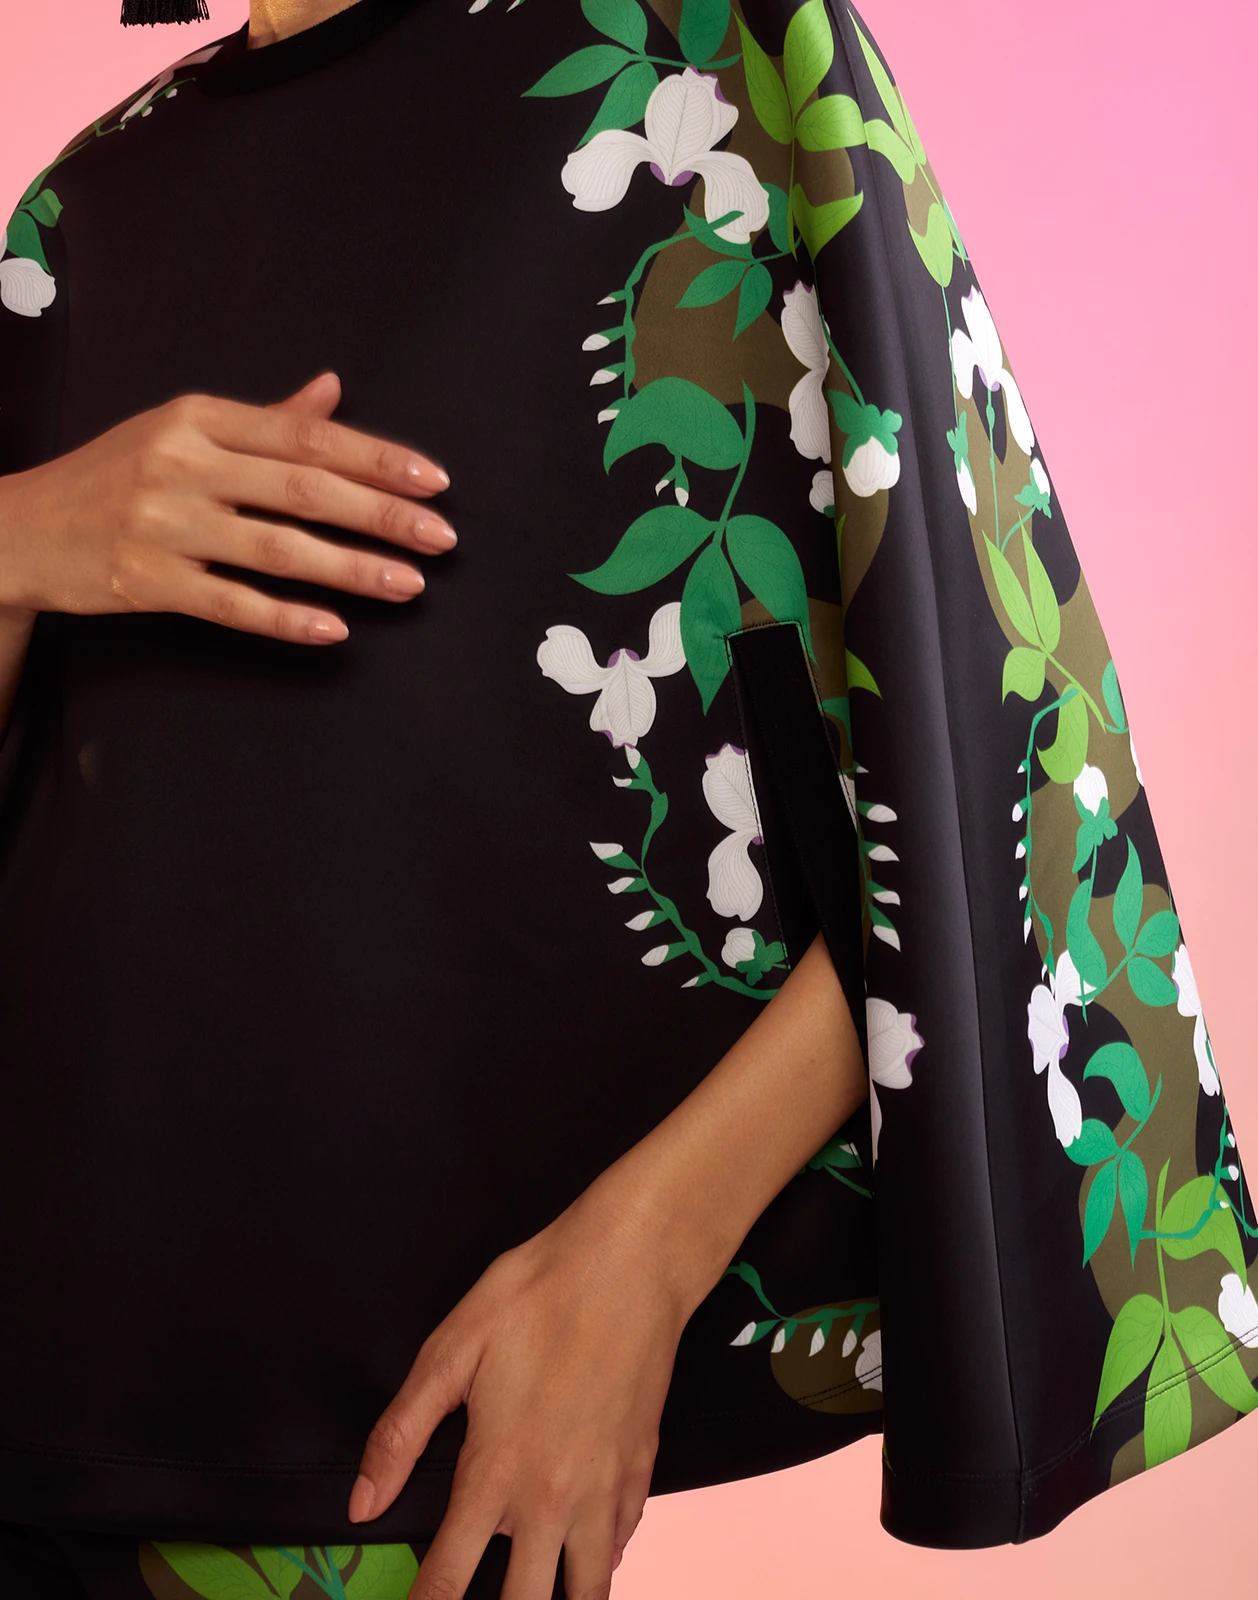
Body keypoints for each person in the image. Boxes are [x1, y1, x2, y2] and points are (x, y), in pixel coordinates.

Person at [0, 2, 1253, 1598]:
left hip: (412, 1402)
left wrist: (643, 1253)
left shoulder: (706, 52)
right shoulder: (84, 210)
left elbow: (996, 745)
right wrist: (20, 536)